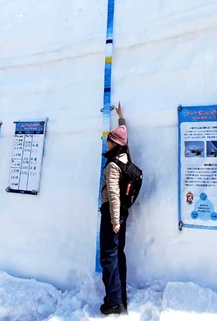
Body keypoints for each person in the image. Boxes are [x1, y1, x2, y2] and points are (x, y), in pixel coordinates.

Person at [100, 102, 131, 315]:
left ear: (114, 143)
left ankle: (114, 302)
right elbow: (124, 135)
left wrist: (113, 221)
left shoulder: (113, 165)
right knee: (118, 254)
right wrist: (121, 119)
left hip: (112, 216)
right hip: (122, 214)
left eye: (109, 139)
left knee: (108, 257)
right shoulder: (125, 157)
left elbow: (113, 195)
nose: (107, 142)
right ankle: (121, 298)